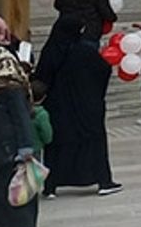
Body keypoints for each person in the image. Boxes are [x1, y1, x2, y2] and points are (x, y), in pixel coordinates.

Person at [34, 16, 119, 197]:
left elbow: (41, 78)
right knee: (93, 143)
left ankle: (51, 186)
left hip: (58, 107)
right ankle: (103, 181)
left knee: (57, 146)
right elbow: (103, 70)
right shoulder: (84, 51)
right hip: (87, 107)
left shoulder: (51, 51)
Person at [0, 21, 37, 227]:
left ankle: (9, 225)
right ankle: (16, 225)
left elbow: (16, 104)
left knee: (1, 182)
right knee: (7, 180)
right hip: (5, 131)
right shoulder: (6, 60)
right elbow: (21, 105)